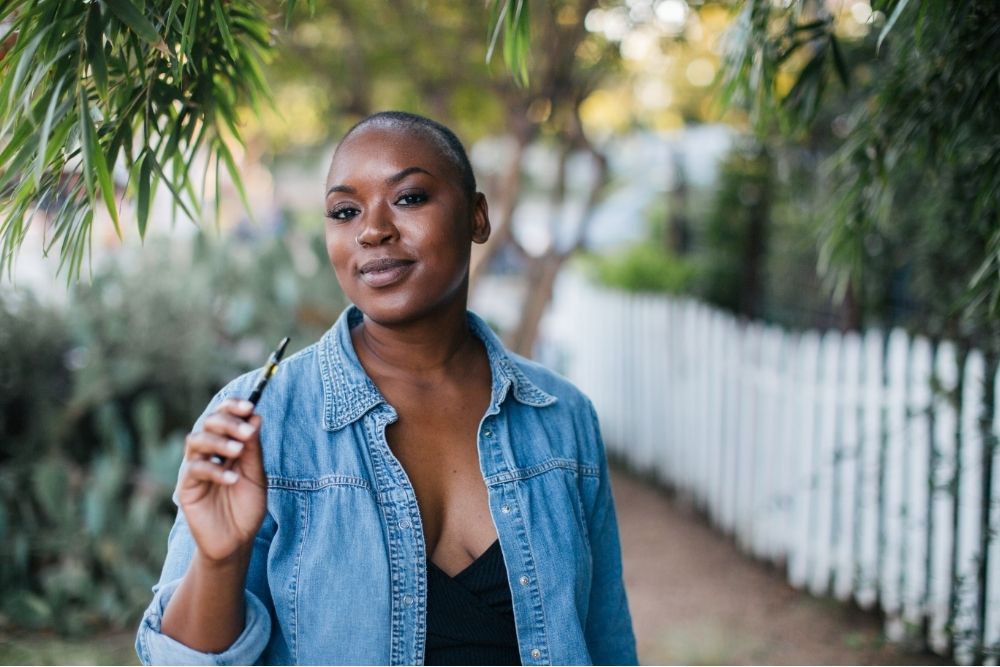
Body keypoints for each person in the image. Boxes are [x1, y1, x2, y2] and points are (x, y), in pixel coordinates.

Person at [135, 111, 637, 666]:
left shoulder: (561, 416)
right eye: (345, 211)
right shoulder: (262, 419)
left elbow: (606, 641)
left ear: (477, 216)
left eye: (410, 198)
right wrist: (219, 559)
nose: (372, 230)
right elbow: (175, 662)